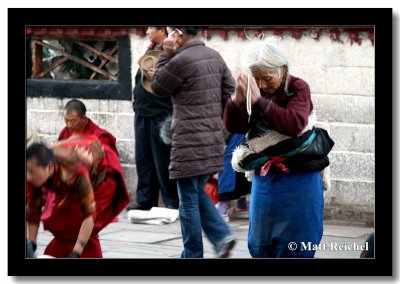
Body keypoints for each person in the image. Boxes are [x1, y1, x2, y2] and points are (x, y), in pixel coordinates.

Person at [224, 36, 326, 258]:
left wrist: (259, 101)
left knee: (297, 243)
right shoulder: (256, 90)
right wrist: (237, 100)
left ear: (282, 69)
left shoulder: (298, 88)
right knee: (262, 243)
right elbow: (236, 126)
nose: (261, 85)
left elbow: (294, 124)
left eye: (267, 78)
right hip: (266, 179)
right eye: (256, 79)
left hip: (299, 178)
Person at [151, 26, 236, 258]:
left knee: (187, 199)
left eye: (170, 32)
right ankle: (222, 237)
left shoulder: (181, 60)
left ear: (178, 33)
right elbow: (231, 92)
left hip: (188, 140)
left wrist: (164, 54)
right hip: (211, 138)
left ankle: (193, 253)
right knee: (195, 191)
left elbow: (157, 87)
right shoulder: (214, 56)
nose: (168, 37)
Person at [26, 135, 130, 258]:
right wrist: (31, 244)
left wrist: (76, 252)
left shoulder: (75, 170)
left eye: (32, 172)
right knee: (59, 218)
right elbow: (33, 210)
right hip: (70, 162)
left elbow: (89, 213)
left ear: (49, 167)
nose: (28, 177)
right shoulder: (34, 174)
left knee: (80, 222)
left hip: (101, 172)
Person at [129, 26, 179, 210]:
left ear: (162, 30)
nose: (147, 31)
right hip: (142, 111)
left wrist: (160, 75)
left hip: (161, 113)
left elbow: (176, 81)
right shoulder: (150, 49)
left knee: (163, 160)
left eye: (151, 28)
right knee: (143, 157)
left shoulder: (172, 51)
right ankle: (145, 199)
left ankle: (172, 201)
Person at [215, 131, 251, 222]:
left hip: (232, 129)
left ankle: (224, 207)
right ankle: (242, 205)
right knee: (242, 156)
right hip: (244, 128)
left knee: (229, 160)